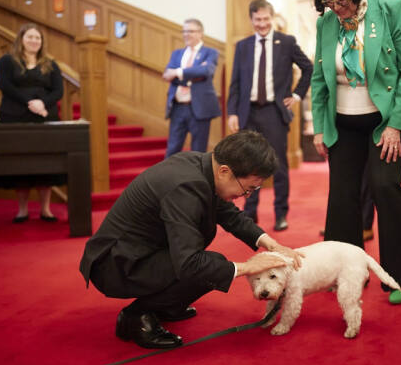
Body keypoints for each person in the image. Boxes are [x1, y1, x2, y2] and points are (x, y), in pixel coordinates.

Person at [79, 130, 303, 349]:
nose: (247, 196)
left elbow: (229, 214)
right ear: (225, 171)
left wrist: (272, 244)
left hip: (139, 250)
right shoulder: (185, 187)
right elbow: (189, 263)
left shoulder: (203, 166)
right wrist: (246, 267)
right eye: (248, 189)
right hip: (115, 264)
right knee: (208, 267)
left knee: (209, 265)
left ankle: (166, 306)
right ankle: (136, 317)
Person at [310, 0, 401, 305]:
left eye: (340, 0)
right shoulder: (327, 23)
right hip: (344, 121)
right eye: (328, 2)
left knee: (384, 187)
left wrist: (394, 125)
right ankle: (347, 271)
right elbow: (320, 78)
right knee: (342, 195)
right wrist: (319, 128)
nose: (335, 8)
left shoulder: (392, 10)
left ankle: (400, 276)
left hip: (388, 119)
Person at [227, 0, 313, 232]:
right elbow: (235, 82)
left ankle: (280, 214)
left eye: (266, 19)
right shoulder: (243, 46)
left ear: (272, 18)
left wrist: (296, 95)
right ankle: (250, 211)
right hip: (248, 113)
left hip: (274, 113)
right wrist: (232, 111)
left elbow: (308, 68)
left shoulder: (286, 42)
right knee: (247, 164)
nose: (262, 24)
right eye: (258, 20)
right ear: (251, 20)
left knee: (278, 165)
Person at [0, 23, 64, 223]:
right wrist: (30, 102)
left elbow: (58, 91)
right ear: (21, 39)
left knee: (45, 165)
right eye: (30, 37)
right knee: (19, 164)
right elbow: (5, 86)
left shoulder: (50, 64)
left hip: (44, 119)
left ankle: (45, 209)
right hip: (15, 117)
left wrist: (42, 103)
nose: (34, 41)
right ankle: (22, 210)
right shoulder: (7, 61)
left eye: (38, 38)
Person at [162, 19, 221, 158]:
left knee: (198, 153)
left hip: (199, 109)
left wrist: (178, 72)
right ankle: (169, 180)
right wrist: (195, 72)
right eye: (184, 31)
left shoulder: (210, 53)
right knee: (172, 150)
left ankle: (196, 181)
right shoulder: (177, 53)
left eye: (191, 31)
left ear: (200, 33)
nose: (186, 34)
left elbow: (206, 71)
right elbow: (166, 74)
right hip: (177, 108)